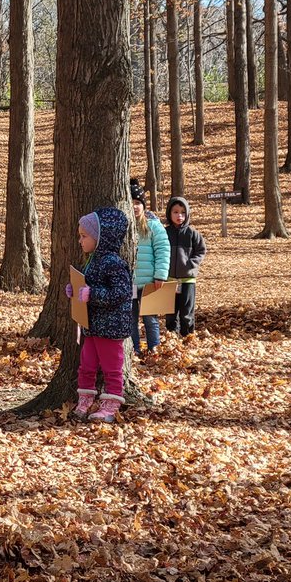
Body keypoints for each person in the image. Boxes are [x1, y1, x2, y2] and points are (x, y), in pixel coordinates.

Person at [66, 207, 134, 422]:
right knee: (86, 364)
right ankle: (85, 400)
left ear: (101, 238)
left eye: (84, 236)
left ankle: (111, 405)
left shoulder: (114, 263)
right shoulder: (92, 261)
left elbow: (122, 293)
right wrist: (75, 290)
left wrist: (93, 293)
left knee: (111, 368)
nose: (80, 241)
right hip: (93, 325)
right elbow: (87, 286)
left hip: (110, 327)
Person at [129, 178, 170, 358]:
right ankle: (134, 348)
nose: (135, 206)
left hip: (149, 282)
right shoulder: (125, 226)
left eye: (138, 203)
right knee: (130, 318)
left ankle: (154, 347)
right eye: (131, 202)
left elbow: (163, 249)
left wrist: (160, 275)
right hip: (129, 282)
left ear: (143, 205)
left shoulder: (153, 226)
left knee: (150, 318)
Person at [164, 196, 206, 337]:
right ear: (169, 213)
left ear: (187, 214)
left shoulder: (192, 234)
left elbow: (201, 251)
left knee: (186, 311)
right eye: (175, 212)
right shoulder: (165, 233)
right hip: (169, 279)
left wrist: (191, 264)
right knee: (170, 312)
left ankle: (187, 335)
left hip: (188, 280)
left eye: (182, 212)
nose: (179, 216)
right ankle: (172, 335)